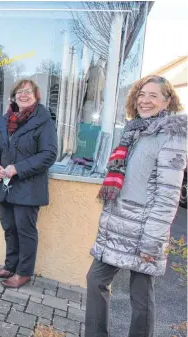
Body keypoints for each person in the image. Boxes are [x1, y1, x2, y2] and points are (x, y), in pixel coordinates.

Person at [85, 75, 186, 337]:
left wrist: (152, 240)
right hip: (118, 222)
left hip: (145, 230)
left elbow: (168, 194)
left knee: (140, 296)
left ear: (167, 101)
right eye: (142, 94)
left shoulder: (172, 136)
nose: (145, 100)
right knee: (96, 280)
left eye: (153, 95)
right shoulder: (133, 131)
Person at [0, 79, 58, 288]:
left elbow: (49, 154)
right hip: (5, 185)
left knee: (25, 231)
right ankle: (10, 266)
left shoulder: (44, 120)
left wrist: (17, 168)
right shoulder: (4, 121)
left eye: (28, 92)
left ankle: (23, 272)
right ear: (13, 96)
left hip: (29, 186)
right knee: (9, 227)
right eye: (20, 91)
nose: (23, 95)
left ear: (36, 96)